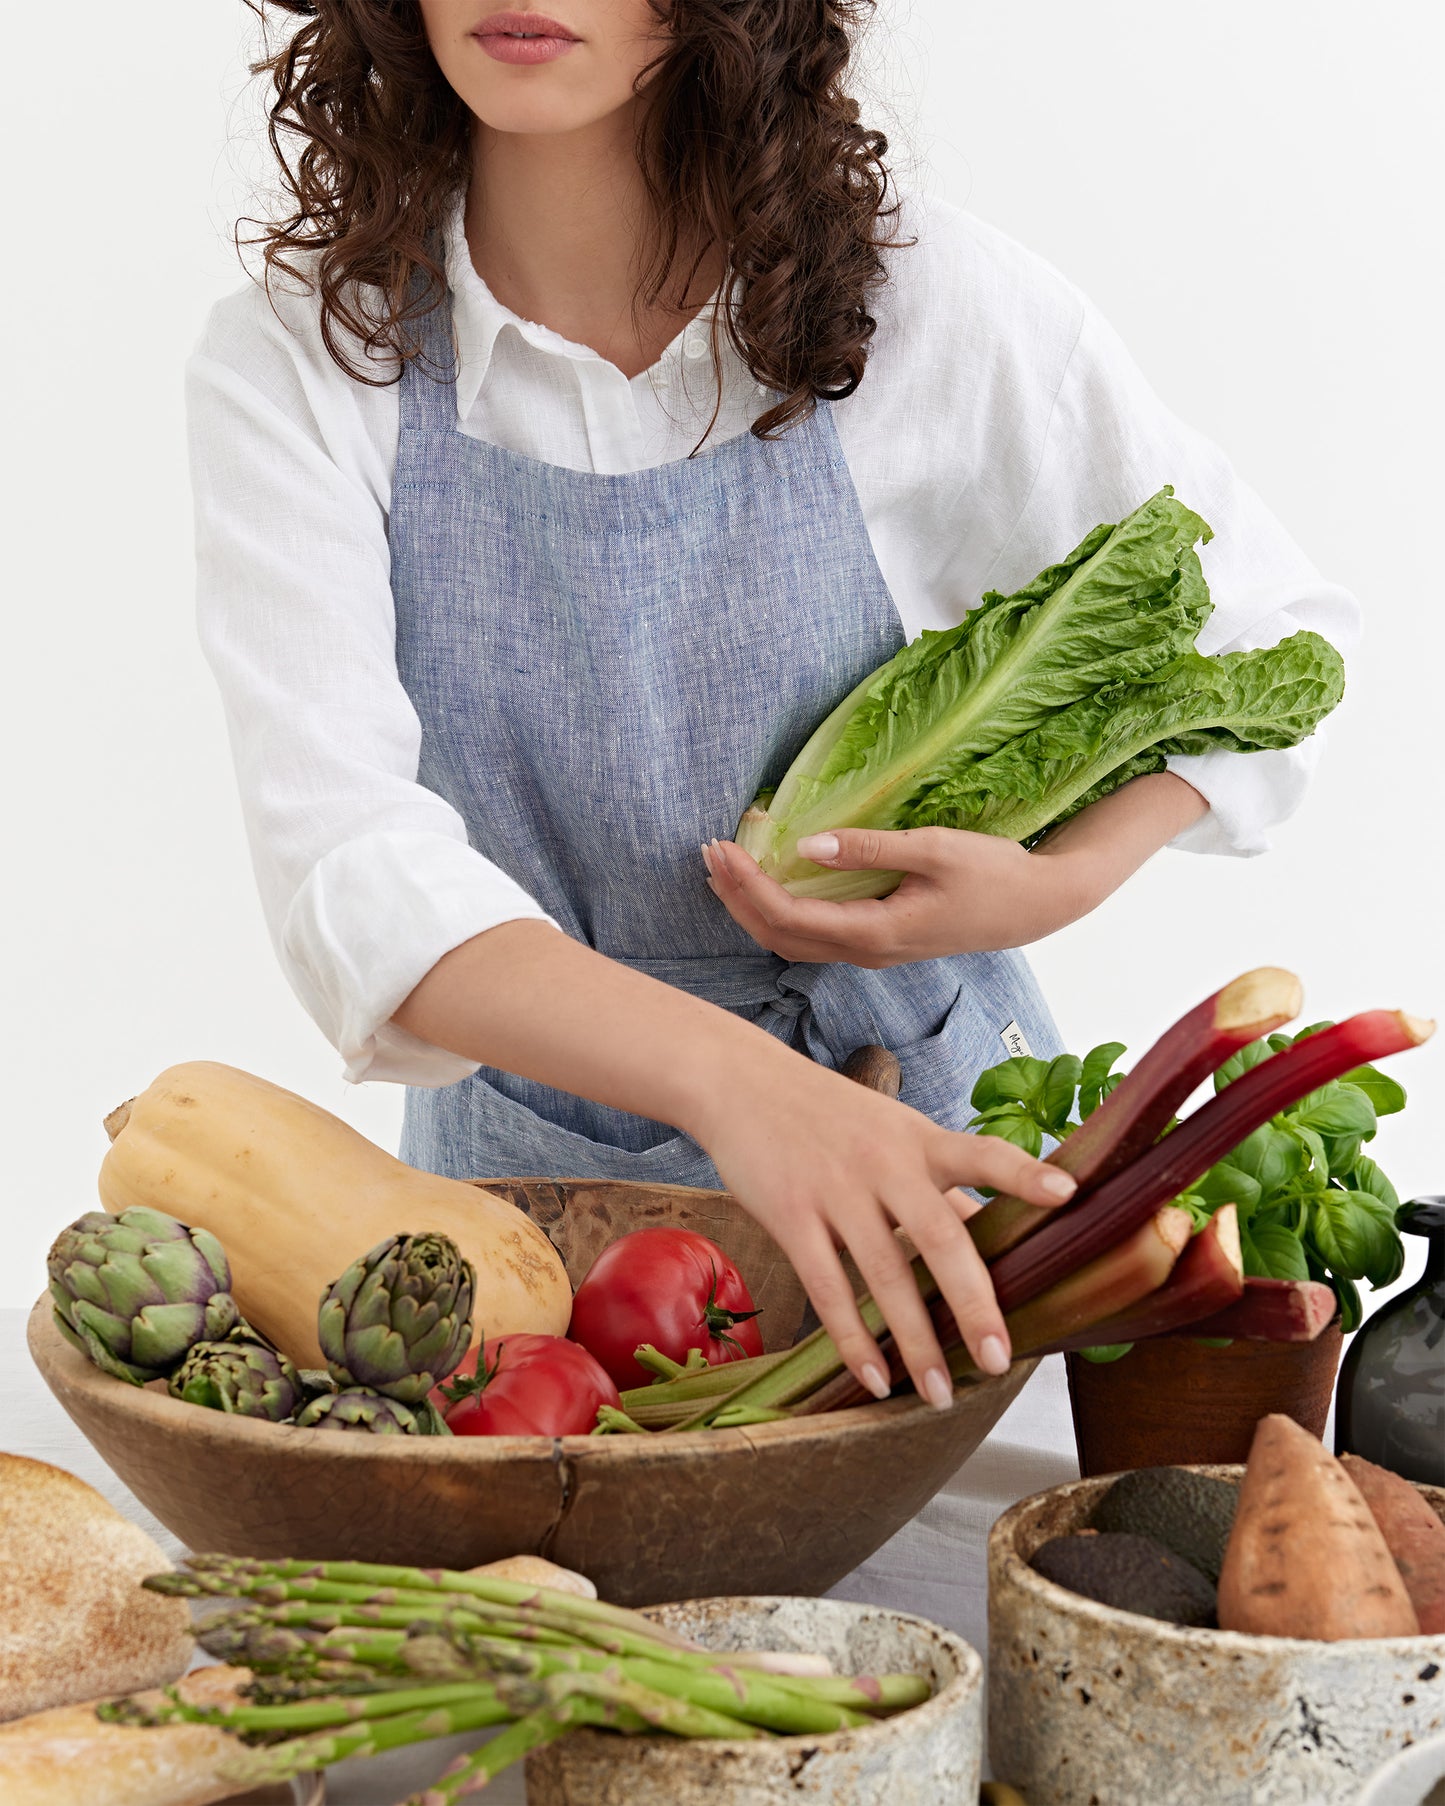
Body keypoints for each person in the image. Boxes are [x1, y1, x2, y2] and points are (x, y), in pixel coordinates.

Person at [190, 0, 1355, 1623]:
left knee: (979, 1630)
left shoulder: (924, 299)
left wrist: (1053, 880)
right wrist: (742, 1089)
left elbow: (1269, 628)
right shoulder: (310, 360)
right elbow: (350, 873)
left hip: (951, 1200)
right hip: (548, 1250)